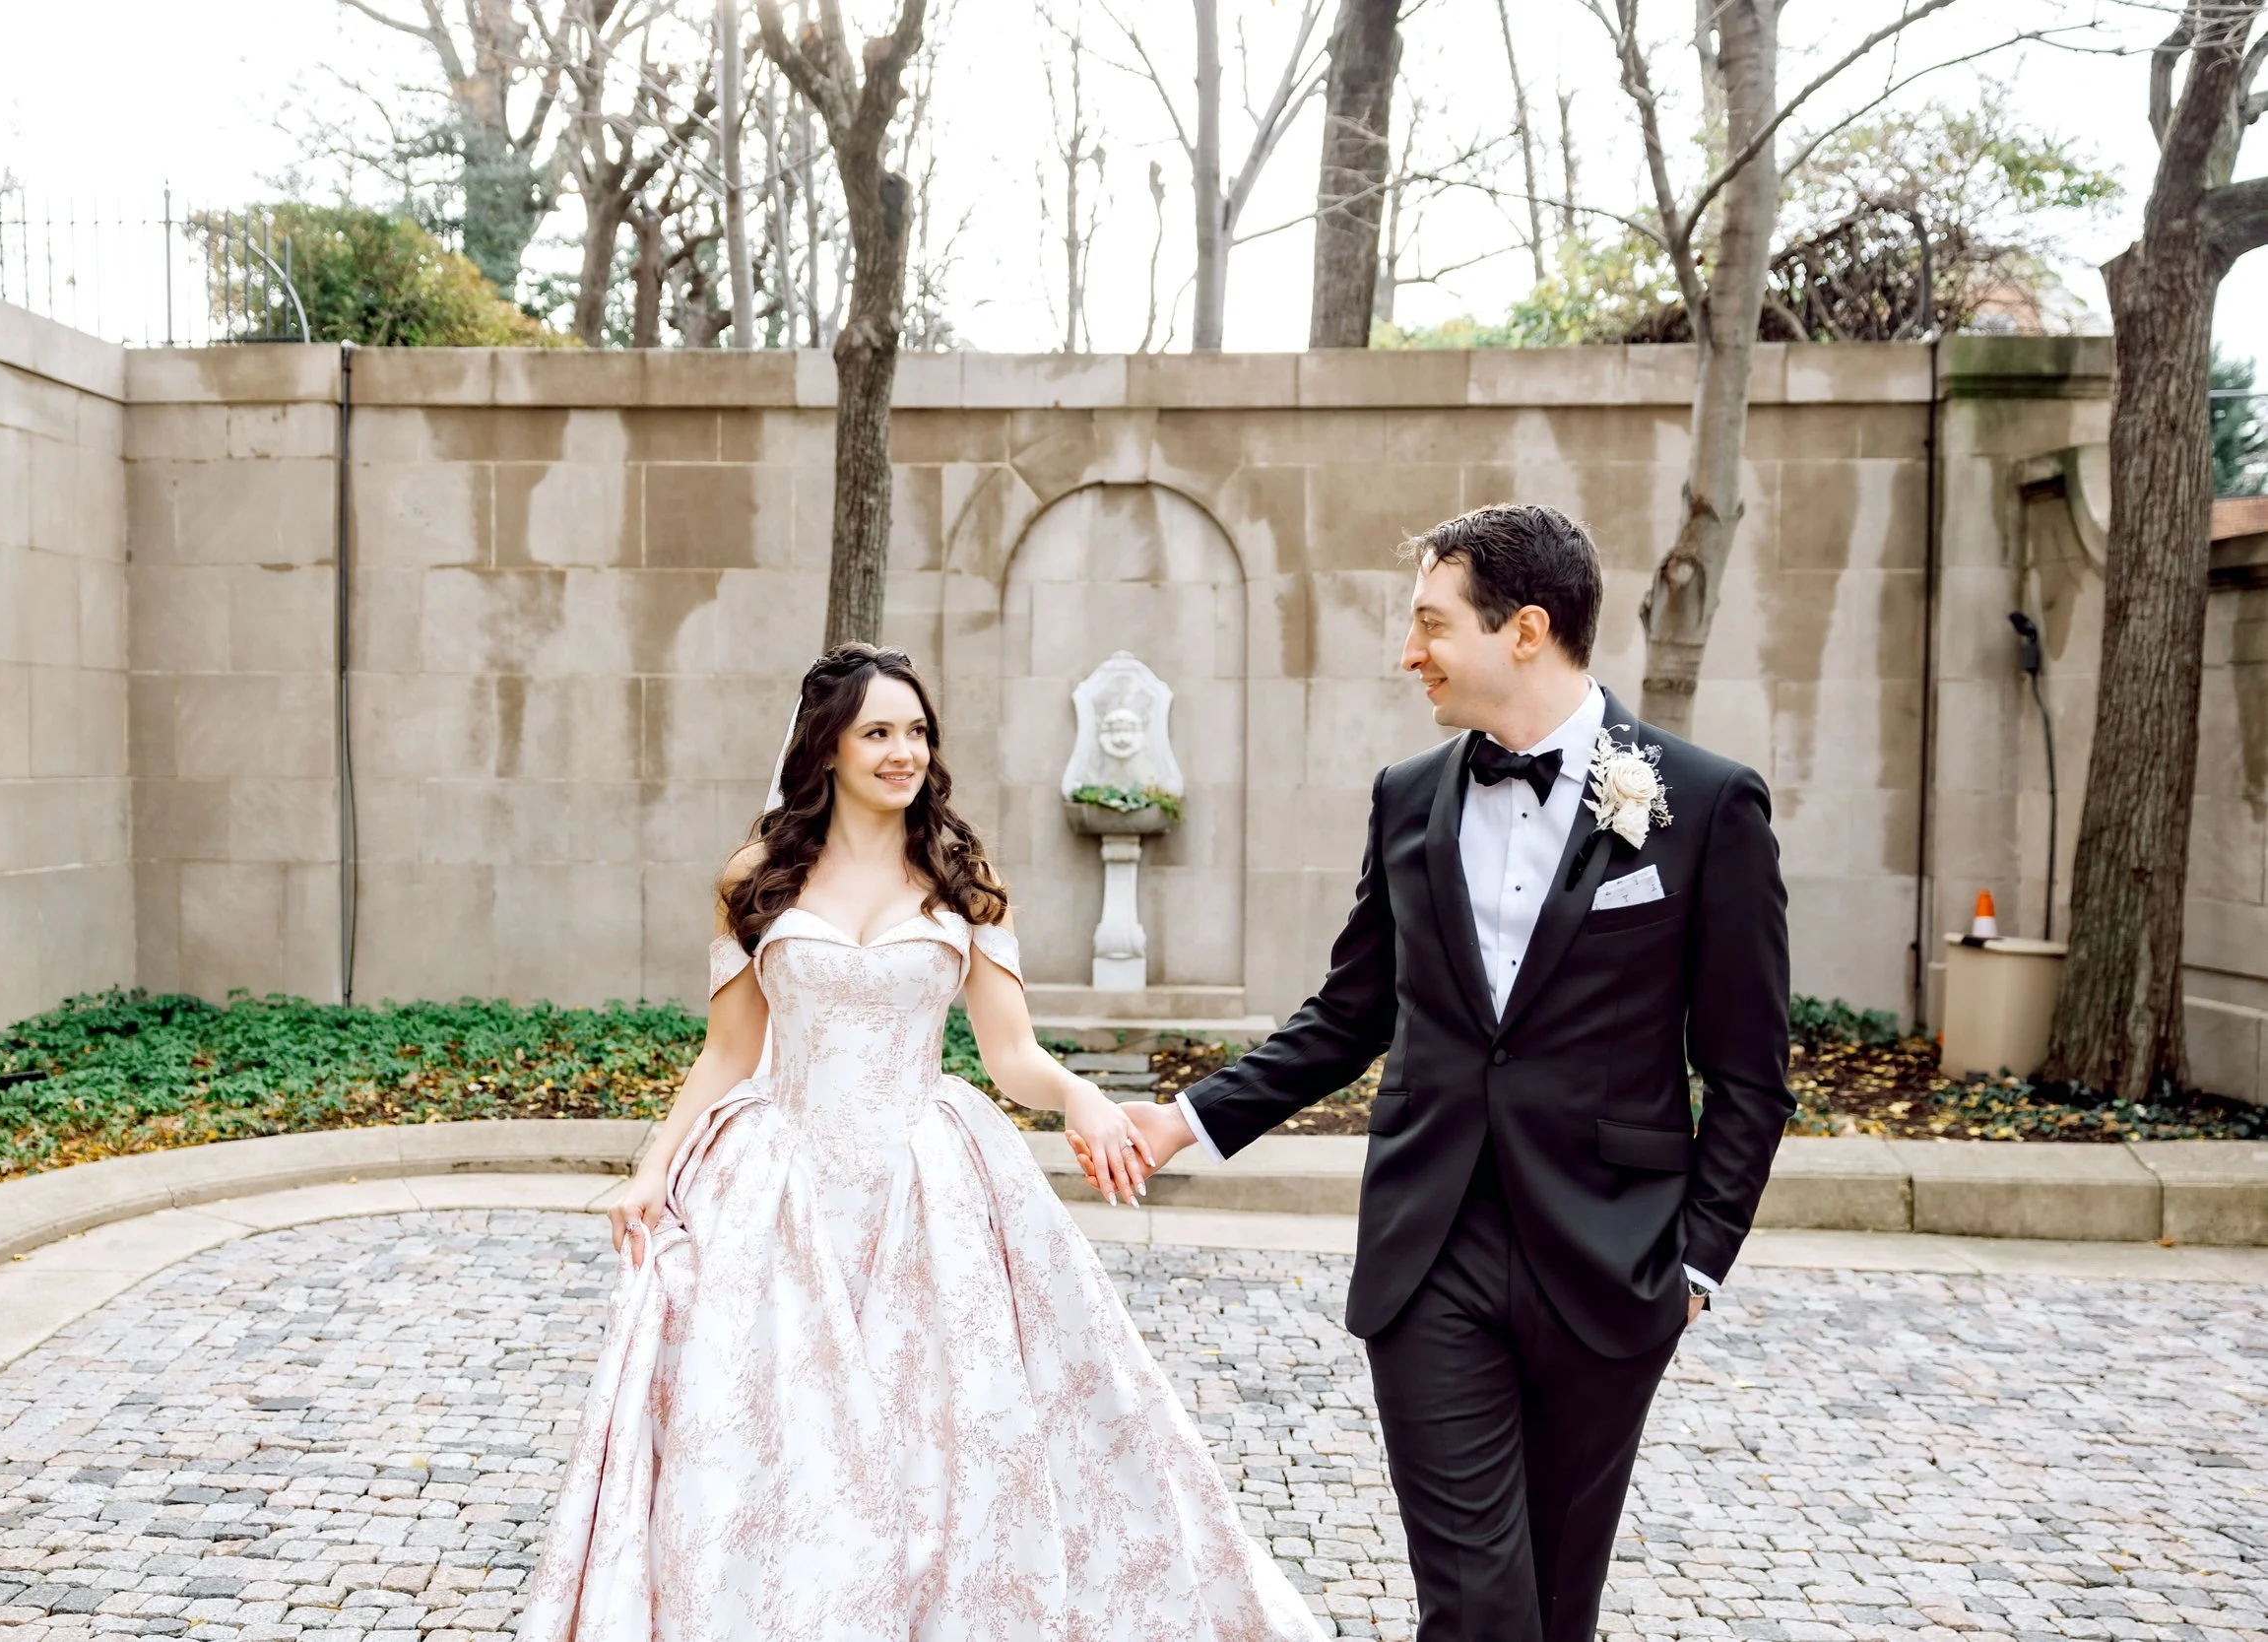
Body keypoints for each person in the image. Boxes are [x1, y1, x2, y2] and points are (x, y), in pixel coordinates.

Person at [515, 643, 1324, 1642]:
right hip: (782, 1185)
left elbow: (1009, 1051)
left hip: (923, 1179)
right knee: (782, 1427)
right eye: (878, 731)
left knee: (938, 1425)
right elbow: (728, 1050)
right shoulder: (755, 877)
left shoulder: (960, 872)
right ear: (826, 748)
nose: (905, 751)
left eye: (917, 730)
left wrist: (1077, 1094)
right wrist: (652, 1171)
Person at [1098, 503, 1794, 1642]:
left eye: (1430, 622)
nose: (1407, 650)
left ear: (1524, 629)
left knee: (1559, 1604)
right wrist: (1184, 1119)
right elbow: (1351, 1010)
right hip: (1434, 1256)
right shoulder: (1406, 795)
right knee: (1477, 1603)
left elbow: (1748, 1071)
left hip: (1613, 1261)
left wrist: (1696, 1266)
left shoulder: (1705, 803)